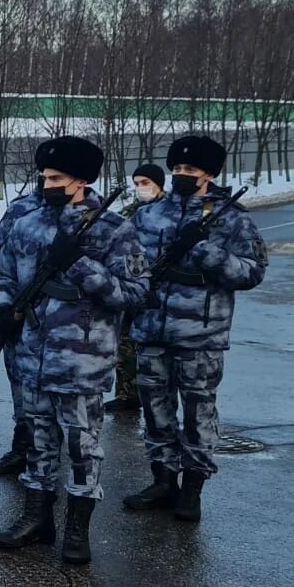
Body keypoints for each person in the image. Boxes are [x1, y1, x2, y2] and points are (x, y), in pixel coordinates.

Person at [0, 137, 149, 563]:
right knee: (39, 441)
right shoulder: (27, 223)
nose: (46, 184)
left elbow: (134, 293)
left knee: (82, 446)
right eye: (43, 176)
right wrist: (2, 307)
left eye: (56, 178)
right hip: (31, 354)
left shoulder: (114, 230)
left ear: (81, 180)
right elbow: (3, 273)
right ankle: (36, 517)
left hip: (81, 360)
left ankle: (77, 528)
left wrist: (80, 264)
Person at [122, 136, 267, 523]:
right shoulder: (149, 214)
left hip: (201, 334)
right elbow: (128, 261)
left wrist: (208, 251)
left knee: (198, 413)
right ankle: (163, 479)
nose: (183, 175)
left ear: (210, 174)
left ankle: (193, 487)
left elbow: (252, 272)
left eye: (191, 170)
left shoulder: (231, 218)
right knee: (155, 409)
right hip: (152, 327)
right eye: (178, 169)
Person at [0, 172, 45, 476]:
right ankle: (23, 445)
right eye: (44, 174)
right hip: (17, 311)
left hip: (63, 323)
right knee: (19, 381)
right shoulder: (20, 209)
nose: (48, 180)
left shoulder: (94, 221)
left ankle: (49, 455)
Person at [106, 163, 166, 411]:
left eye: (146, 183)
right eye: (138, 183)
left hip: (158, 288)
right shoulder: (130, 211)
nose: (141, 188)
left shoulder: (169, 212)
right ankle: (126, 394)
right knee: (125, 341)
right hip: (131, 283)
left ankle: (154, 396)